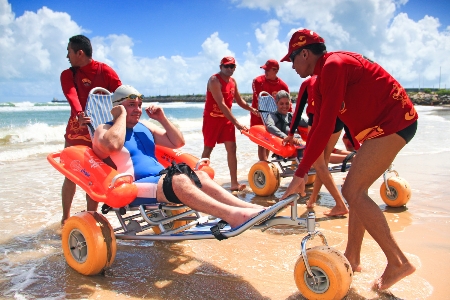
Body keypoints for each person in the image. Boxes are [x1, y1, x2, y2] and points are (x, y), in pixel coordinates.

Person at [280, 29, 417, 291]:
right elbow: (320, 126)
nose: (292, 66)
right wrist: (303, 170)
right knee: (356, 190)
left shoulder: (334, 65)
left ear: (305, 53)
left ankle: (398, 262)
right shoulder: (320, 80)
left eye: (292, 59)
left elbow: (327, 122)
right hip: (380, 128)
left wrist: (299, 175)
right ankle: (352, 258)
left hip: (395, 121)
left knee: (352, 190)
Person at [92, 85, 263, 229]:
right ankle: (234, 216)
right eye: (131, 105)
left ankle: (250, 208)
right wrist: (121, 115)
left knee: (200, 175)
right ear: (117, 107)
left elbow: (177, 142)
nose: (137, 110)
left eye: (139, 105)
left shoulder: (144, 127)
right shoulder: (105, 129)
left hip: (161, 179)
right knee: (179, 181)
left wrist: (162, 118)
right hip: (135, 186)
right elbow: (112, 145)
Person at [60, 34, 122, 226]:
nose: (67, 56)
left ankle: (91, 217)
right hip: (77, 130)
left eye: (69, 51)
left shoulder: (105, 71)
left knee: (94, 174)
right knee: (70, 174)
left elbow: (120, 94)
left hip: (100, 130)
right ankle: (65, 217)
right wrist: (80, 113)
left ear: (79, 53)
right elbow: (72, 95)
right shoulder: (67, 74)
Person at [289, 75, 352, 215]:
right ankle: (312, 199)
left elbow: (298, 109)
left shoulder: (308, 82)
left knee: (318, 163)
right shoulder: (333, 77)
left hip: (318, 119)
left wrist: (291, 133)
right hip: (338, 119)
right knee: (324, 161)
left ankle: (340, 205)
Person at [201, 57, 258, 192]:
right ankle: (201, 181)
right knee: (208, 149)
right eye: (226, 66)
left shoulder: (233, 82)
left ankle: (234, 183)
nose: (229, 69)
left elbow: (239, 100)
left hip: (226, 121)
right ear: (221, 67)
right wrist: (237, 124)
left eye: (232, 66)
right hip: (212, 119)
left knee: (232, 148)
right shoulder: (214, 80)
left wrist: (252, 109)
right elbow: (221, 104)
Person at [251, 59, 290, 161]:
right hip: (260, 116)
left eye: (268, 70)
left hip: (275, 117)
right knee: (262, 142)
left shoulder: (283, 85)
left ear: (275, 70)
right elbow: (258, 101)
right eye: (265, 69)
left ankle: (267, 163)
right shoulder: (257, 81)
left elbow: (287, 105)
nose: (265, 72)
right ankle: (263, 164)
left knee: (270, 141)